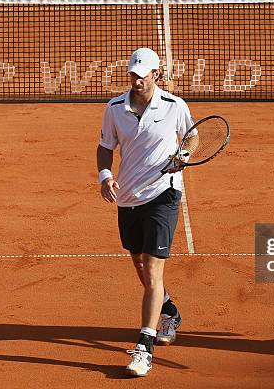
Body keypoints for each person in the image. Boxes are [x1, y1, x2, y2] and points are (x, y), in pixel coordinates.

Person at [97, 47, 196, 377]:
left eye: (144, 74)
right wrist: (105, 176)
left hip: (163, 195)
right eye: (133, 74)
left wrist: (182, 153)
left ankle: (144, 348)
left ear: (157, 74)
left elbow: (193, 137)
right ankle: (169, 310)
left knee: (153, 271)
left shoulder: (174, 106)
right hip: (128, 196)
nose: (137, 79)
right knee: (139, 263)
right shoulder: (114, 108)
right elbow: (105, 147)